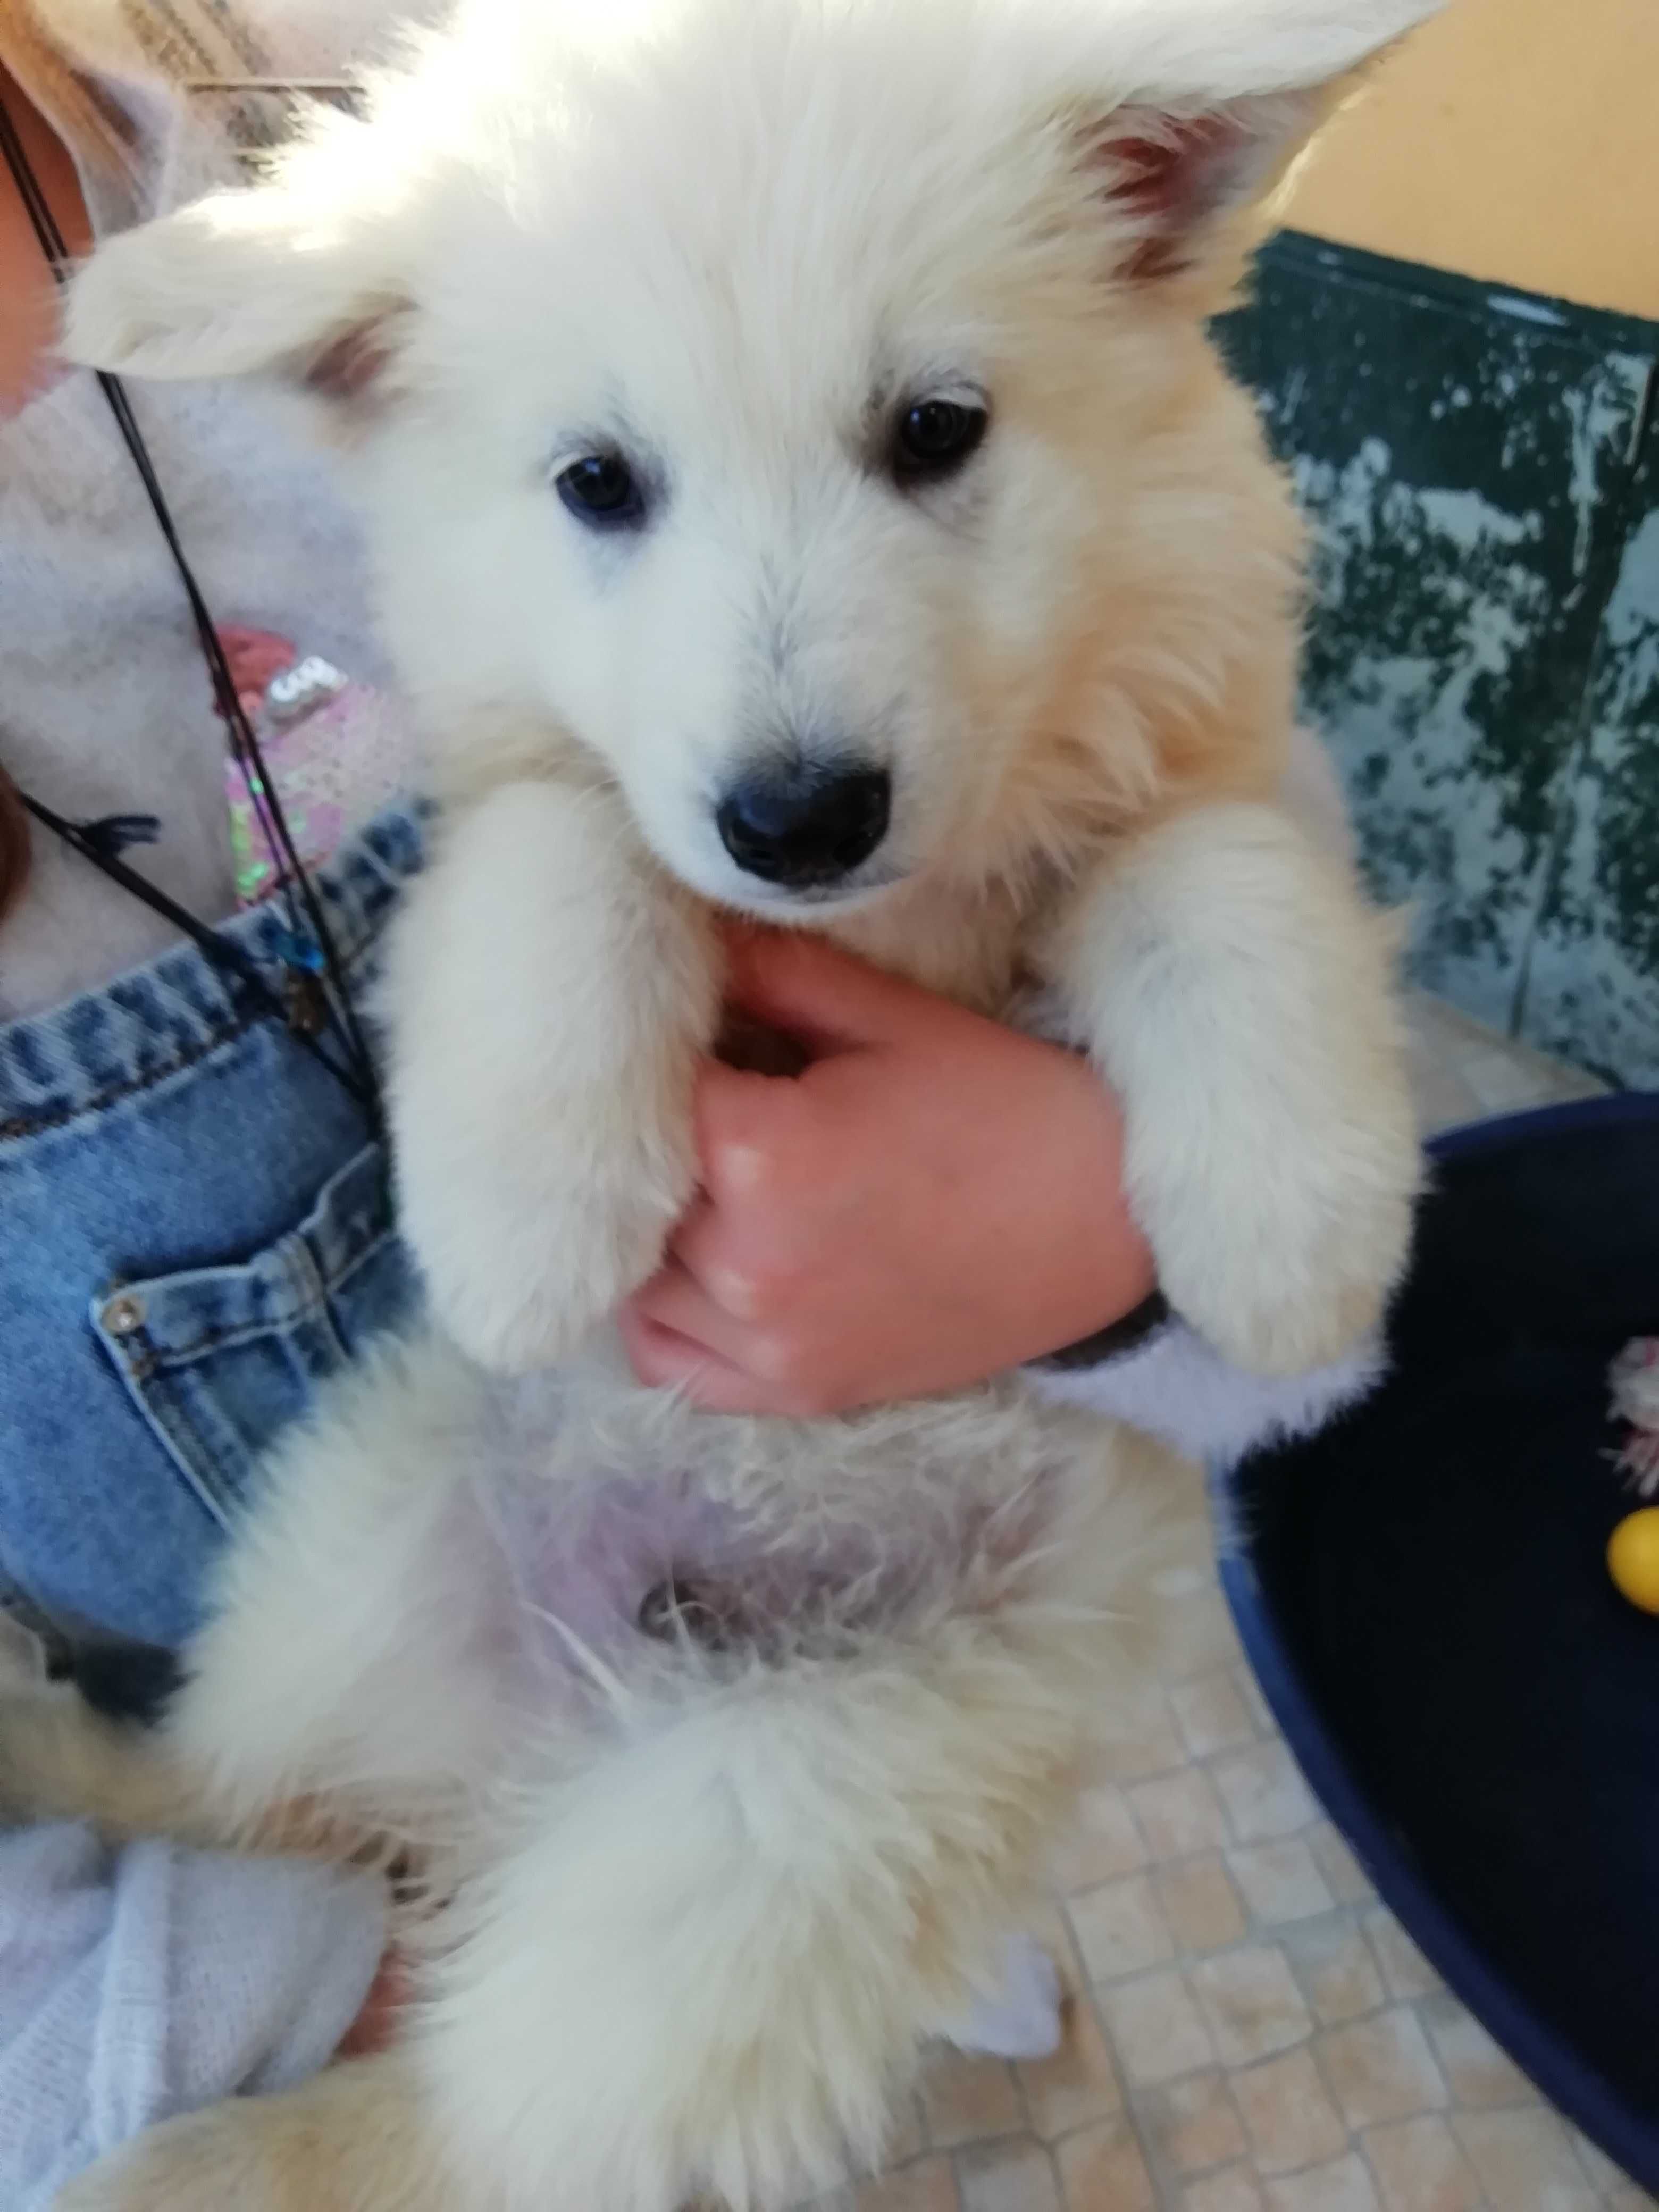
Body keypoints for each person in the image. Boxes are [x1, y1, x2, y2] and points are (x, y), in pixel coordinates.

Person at [0, 2, 1380, 2199]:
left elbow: (1290, 1247)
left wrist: (1114, 1227)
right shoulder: (428, 326)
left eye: (931, 431)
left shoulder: (447, 101)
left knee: (718, 1932)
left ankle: (415, 2145)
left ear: (1157, 210)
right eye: (608, 486)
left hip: (913, 1612)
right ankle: (231, 1883)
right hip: (463, 1515)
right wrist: (163, 1977)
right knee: (307, 1686)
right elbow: (524, 1142)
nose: (795, 713)